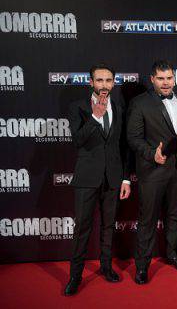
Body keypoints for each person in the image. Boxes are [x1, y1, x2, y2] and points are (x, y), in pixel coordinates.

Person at [65, 64, 131, 296]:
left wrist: (125, 179)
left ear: (114, 83)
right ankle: (75, 276)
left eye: (109, 80)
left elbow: (123, 147)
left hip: (112, 178)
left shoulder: (120, 107)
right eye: (99, 80)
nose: (104, 85)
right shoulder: (78, 108)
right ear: (91, 82)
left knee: (107, 226)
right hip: (86, 177)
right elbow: (77, 141)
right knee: (82, 228)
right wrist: (95, 117)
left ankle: (106, 267)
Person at [127, 60, 177, 284]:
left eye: (169, 78)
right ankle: (142, 266)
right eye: (161, 79)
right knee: (147, 220)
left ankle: (172, 255)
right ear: (153, 79)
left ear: (174, 78)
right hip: (153, 170)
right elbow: (133, 138)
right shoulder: (139, 103)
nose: (166, 83)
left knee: (174, 217)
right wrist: (150, 153)